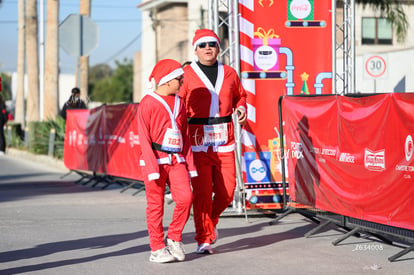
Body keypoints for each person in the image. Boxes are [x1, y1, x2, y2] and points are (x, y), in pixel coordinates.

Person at [179, 29, 247, 254]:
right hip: (197, 140)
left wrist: (241, 108)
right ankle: (203, 238)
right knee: (202, 193)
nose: (207, 48)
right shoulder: (186, 74)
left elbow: (240, 95)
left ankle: (211, 221)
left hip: (224, 138)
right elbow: (176, 104)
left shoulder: (229, 73)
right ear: (195, 49)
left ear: (219, 48)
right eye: (202, 45)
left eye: (212, 44)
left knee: (228, 191)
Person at [137, 59, 198, 263]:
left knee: (186, 198)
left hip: (176, 159)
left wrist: (191, 165)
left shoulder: (180, 102)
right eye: (180, 79)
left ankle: (174, 237)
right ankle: (156, 248)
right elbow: (143, 137)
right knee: (156, 205)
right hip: (154, 160)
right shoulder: (147, 103)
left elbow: (185, 135)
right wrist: (152, 166)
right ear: (168, 80)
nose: (182, 82)